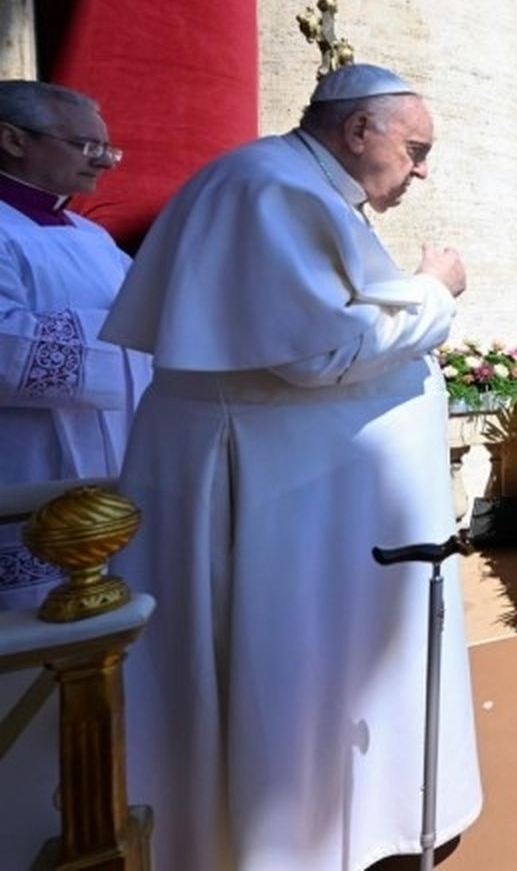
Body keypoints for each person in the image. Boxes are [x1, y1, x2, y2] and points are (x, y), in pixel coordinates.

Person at [104, 64, 481, 870]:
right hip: (274, 499)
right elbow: (323, 350)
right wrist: (435, 289)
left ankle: (339, 818)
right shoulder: (267, 189)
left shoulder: (288, 185)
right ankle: (286, 834)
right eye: (414, 149)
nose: (421, 170)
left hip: (299, 493)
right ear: (357, 131)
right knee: (283, 670)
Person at [0, 80, 151, 608]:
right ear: (13, 139)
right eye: (89, 147)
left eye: (108, 148)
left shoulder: (92, 238)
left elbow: (153, 315)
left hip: (113, 473)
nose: (105, 163)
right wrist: (124, 336)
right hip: (25, 464)